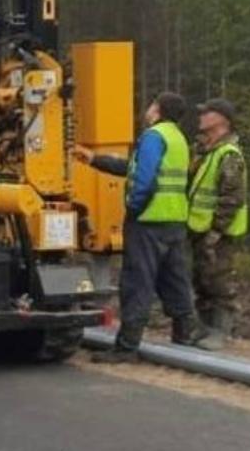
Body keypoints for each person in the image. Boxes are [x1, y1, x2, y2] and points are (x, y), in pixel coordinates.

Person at [71, 91, 202, 362]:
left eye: (152, 104)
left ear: (158, 110)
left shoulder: (153, 137)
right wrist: (95, 159)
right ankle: (185, 333)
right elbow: (132, 168)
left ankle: (127, 346)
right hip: (174, 220)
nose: (148, 108)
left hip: (148, 222)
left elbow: (143, 178)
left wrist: (133, 208)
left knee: (137, 281)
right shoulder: (178, 138)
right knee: (174, 278)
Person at [188, 97, 249, 351]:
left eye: (207, 113)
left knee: (219, 281)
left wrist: (216, 230)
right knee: (202, 280)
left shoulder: (229, 154)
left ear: (222, 120)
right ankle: (205, 328)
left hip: (218, 233)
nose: (201, 116)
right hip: (199, 229)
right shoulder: (206, 151)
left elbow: (232, 197)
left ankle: (221, 332)